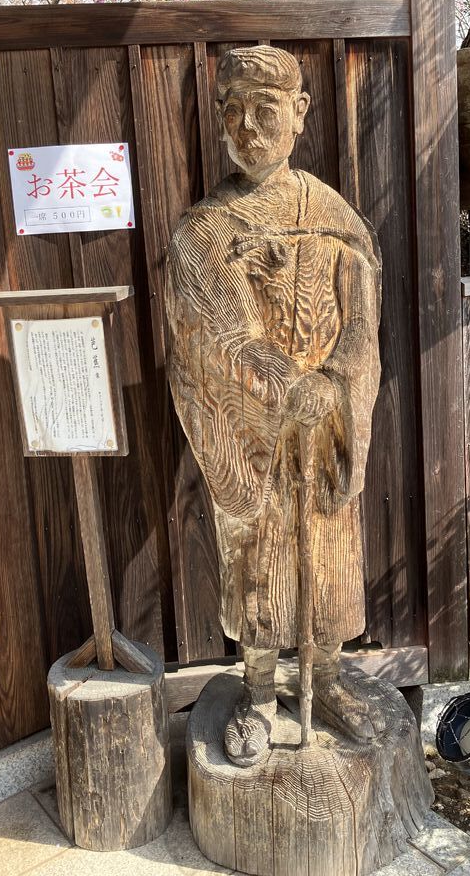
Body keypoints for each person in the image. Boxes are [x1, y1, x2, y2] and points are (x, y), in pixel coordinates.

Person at [166, 46, 382, 766]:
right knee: (257, 557)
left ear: (300, 114)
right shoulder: (203, 232)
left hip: (324, 431)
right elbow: (216, 337)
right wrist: (281, 385)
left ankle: (329, 677)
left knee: (327, 548)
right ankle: (259, 690)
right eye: (233, 112)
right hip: (251, 433)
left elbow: (362, 327)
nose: (249, 127)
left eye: (266, 109)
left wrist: (336, 383)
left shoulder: (334, 220)